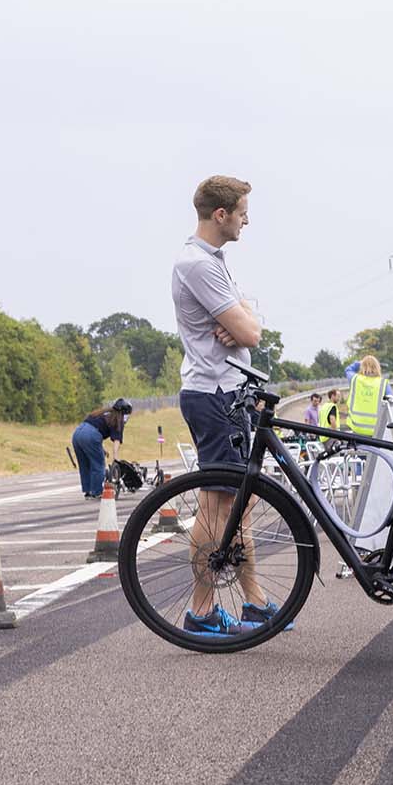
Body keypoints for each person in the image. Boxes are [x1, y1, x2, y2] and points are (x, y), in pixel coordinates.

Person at [170, 174, 269, 638]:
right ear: (221, 214)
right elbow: (249, 334)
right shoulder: (198, 264)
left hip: (228, 391)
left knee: (239, 506)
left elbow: (252, 323)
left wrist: (247, 317)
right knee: (216, 507)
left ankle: (255, 602)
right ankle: (202, 610)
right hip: (214, 394)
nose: (248, 221)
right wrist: (247, 322)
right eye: (243, 213)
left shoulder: (215, 260)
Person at [72, 398, 134, 501]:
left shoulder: (102, 413)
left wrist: (101, 449)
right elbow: (116, 440)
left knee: (85, 465)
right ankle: (96, 492)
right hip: (91, 436)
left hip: (77, 433)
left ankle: (88, 492)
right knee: (98, 465)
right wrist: (116, 458)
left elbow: (91, 429)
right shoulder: (118, 420)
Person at [347, 355, 388, 436]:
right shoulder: (383, 383)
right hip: (376, 430)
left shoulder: (355, 379)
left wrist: (359, 363)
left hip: (356, 428)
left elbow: (348, 369)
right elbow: (392, 403)